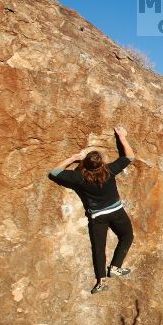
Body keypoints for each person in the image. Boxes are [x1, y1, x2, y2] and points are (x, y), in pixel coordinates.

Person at [48, 126, 136, 294]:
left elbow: (54, 172)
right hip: (116, 212)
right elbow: (130, 157)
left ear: (85, 165)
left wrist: (74, 158)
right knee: (127, 236)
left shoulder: (79, 177)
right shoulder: (109, 170)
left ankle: (101, 281)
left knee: (99, 248)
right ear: (101, 163)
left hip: (97, 217)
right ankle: (116, 267)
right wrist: (122, 137)